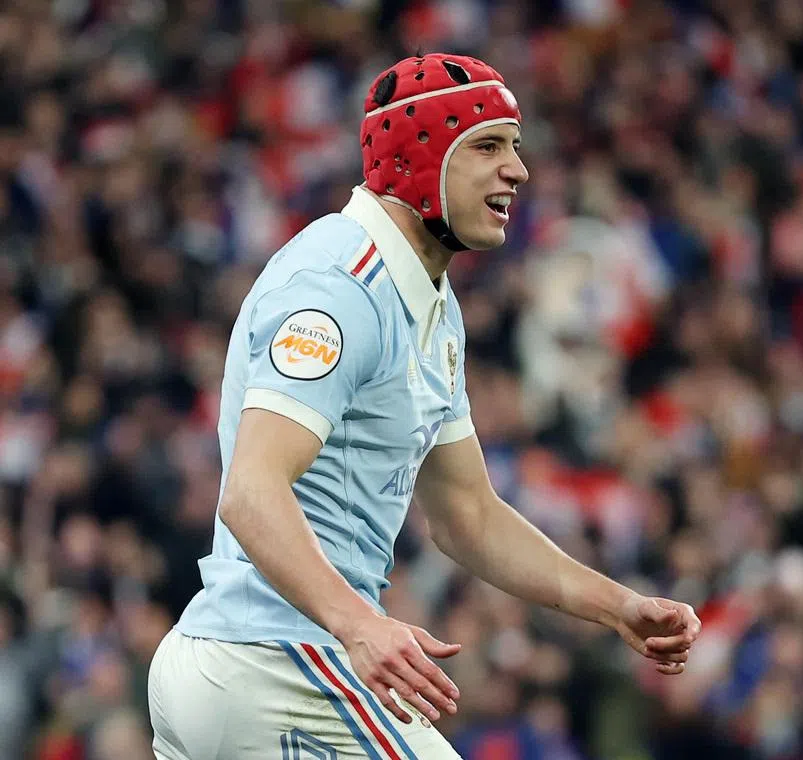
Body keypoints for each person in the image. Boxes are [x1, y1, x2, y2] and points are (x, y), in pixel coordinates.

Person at [147, 53, 701, 760]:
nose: (518, 171)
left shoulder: (429, 303)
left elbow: (467, 515)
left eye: (516, 147)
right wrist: (359, 624)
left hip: (251, 664)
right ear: (419, 158)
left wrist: (616, 605)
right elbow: (250, 492)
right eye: (488, 146)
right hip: (279, 664)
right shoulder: (340, 289)